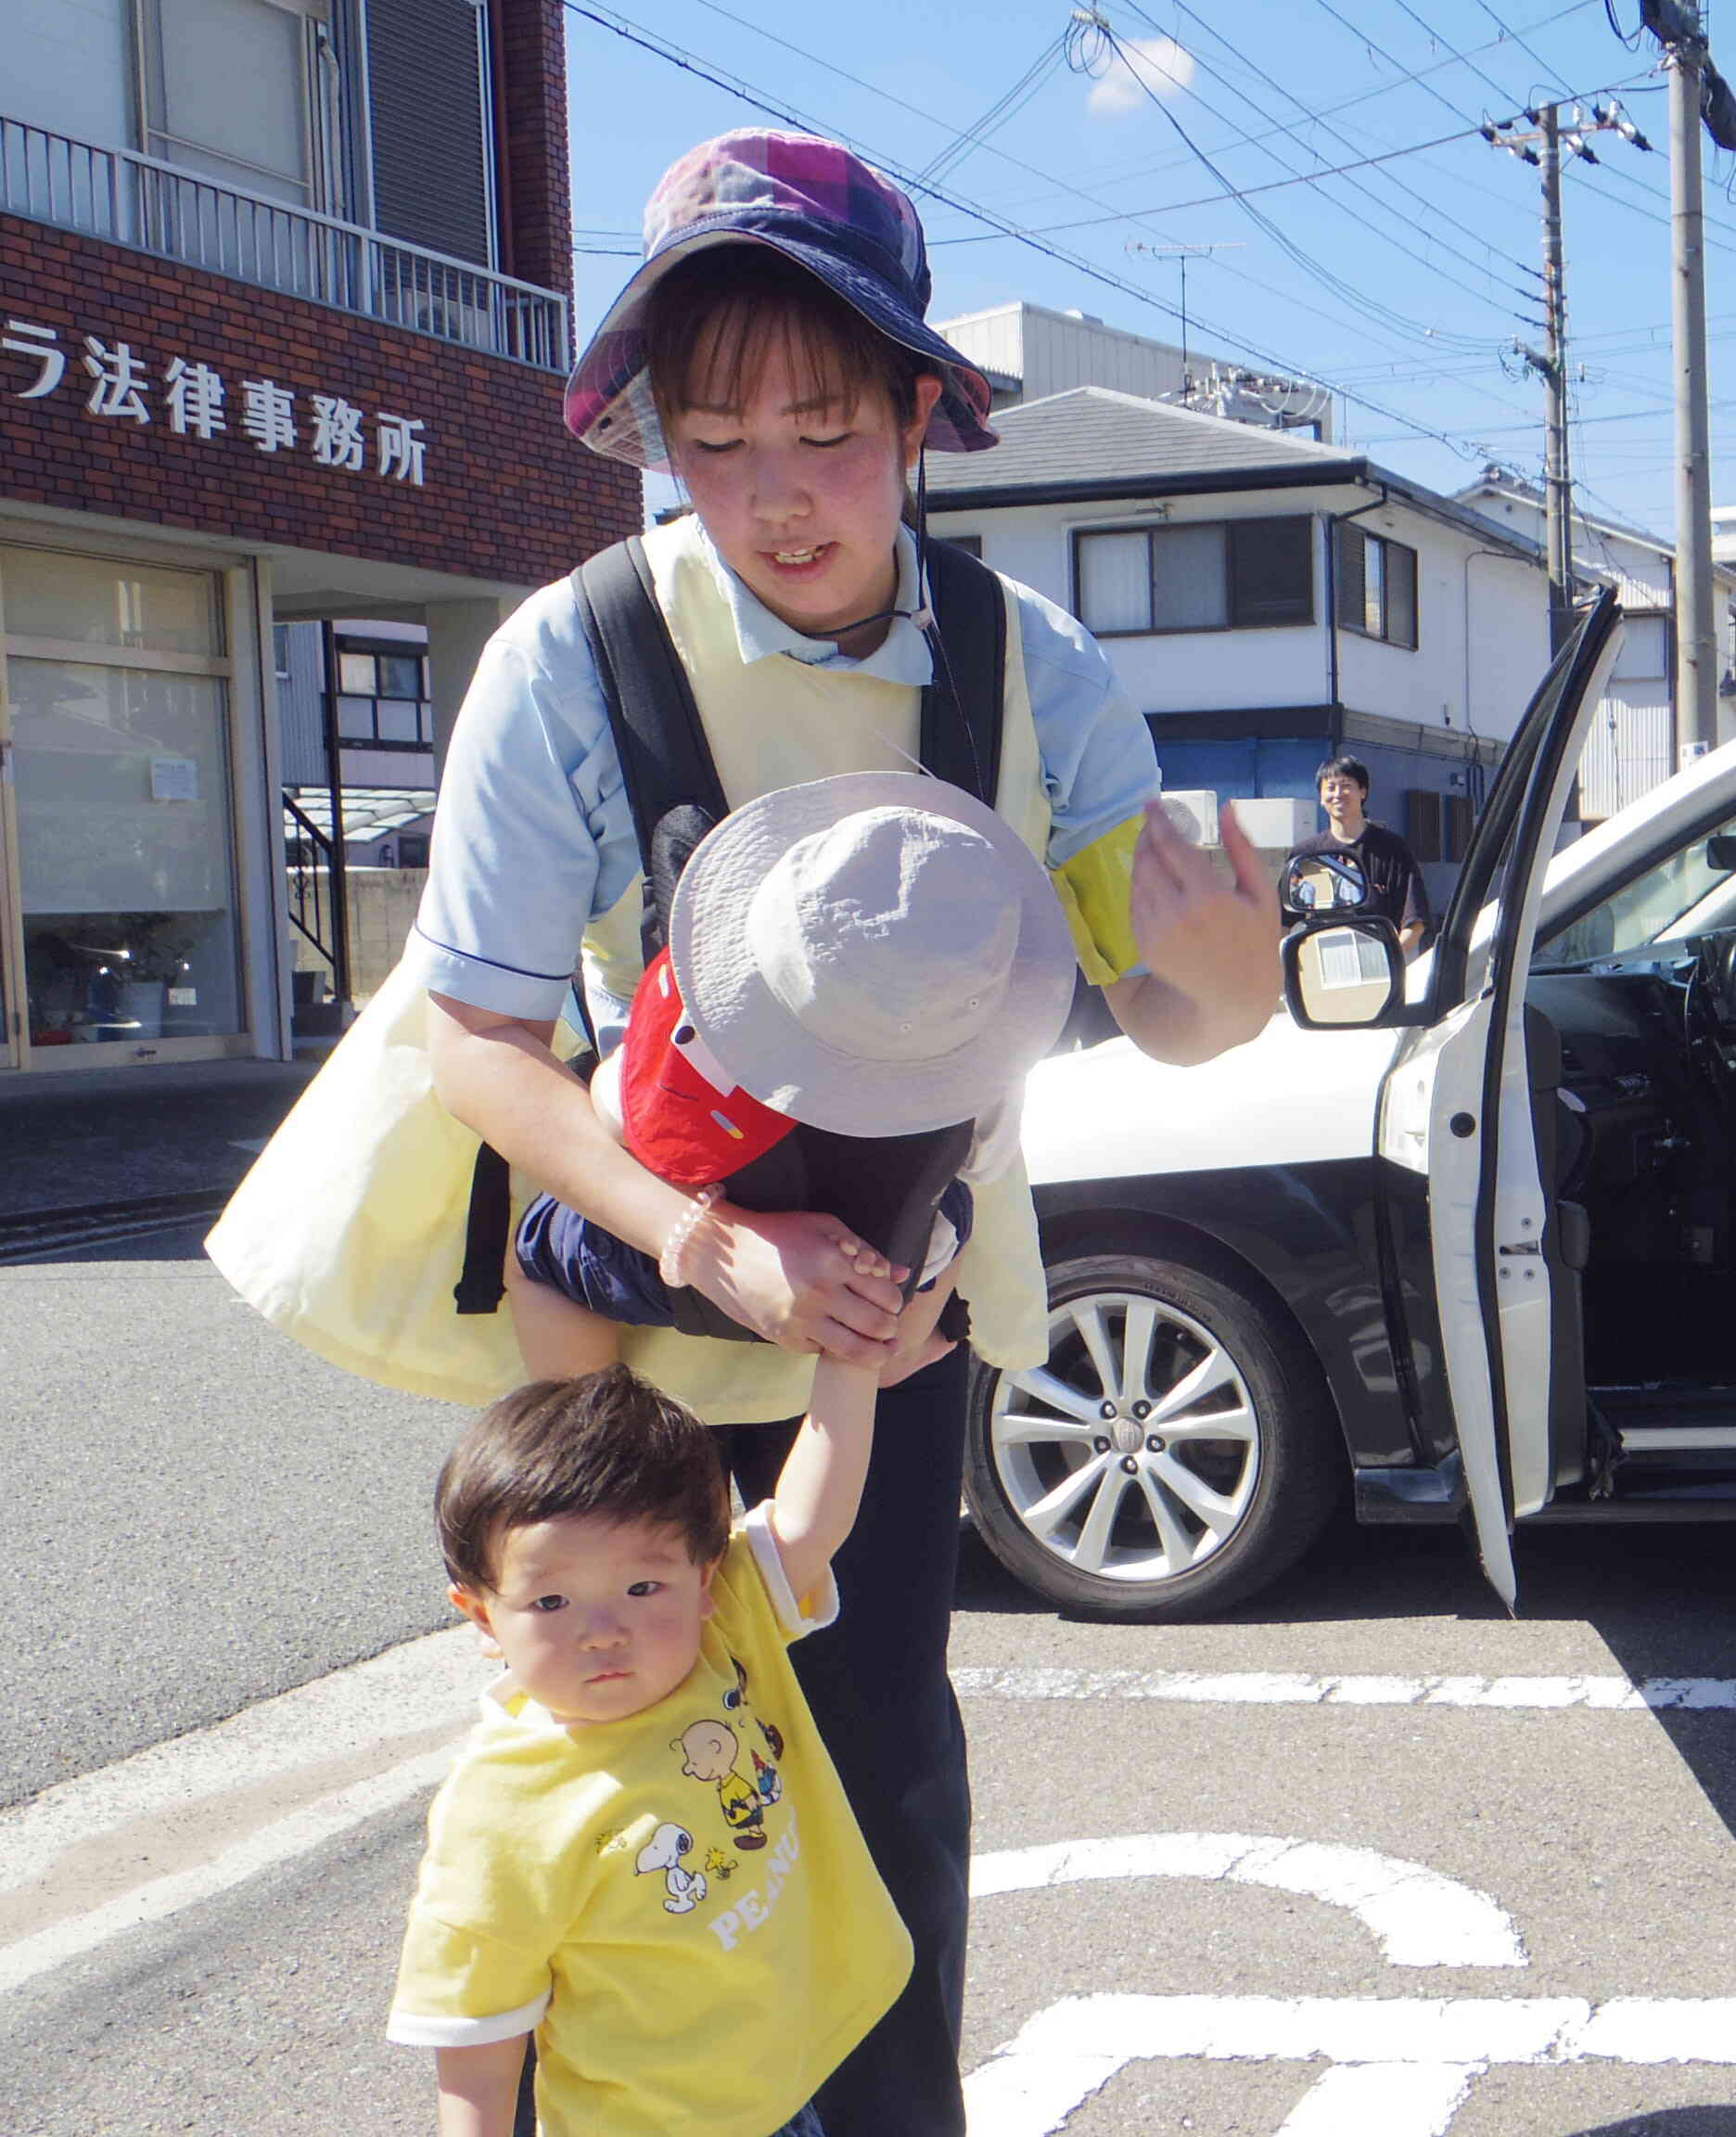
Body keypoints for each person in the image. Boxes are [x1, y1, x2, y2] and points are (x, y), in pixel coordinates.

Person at [402, 131, 1282, 2131]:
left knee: (870, 1767)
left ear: (918, 413)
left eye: (823, 427)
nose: (774, 494)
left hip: (897, 1314)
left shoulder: (1023, 665)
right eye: (711, 442)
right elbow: (474, 1038)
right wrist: (701, 1239)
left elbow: (1159, 1006)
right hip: (630, 1319)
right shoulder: (578, 653)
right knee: (605, 1781)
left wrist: (1227, 983)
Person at [389, 1363, 900, 2137]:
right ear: (483, 1617)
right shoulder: (500, 1812)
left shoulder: (719, 1632)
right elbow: (477, 2030)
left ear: (703, 1580)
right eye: (551, 1601)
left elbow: (809, 1523)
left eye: (642, 1588)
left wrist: (851, 1367)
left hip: (781, 2088)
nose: (605, 1630)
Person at [505, 771, 1074, 1395]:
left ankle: (588, 1426)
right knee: (959, 1199)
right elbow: (986, 1163)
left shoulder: (707, 1036)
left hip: (709, 1269)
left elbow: (618, 1112)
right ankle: (909, 1342)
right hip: (871, 1278)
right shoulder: (980, 1070)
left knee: (538, 1245)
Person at [1290, 754, 1432, 953]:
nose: (1338, 794)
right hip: (1324, 966)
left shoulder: (1392, 849)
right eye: (1330, 788)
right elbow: (1285, 922)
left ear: (1363, 792)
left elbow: (1415, 922)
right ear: (1321, 797)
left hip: (1383, 965)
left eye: (1346, 785)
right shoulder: (1305, 855)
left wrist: (1389, 960)